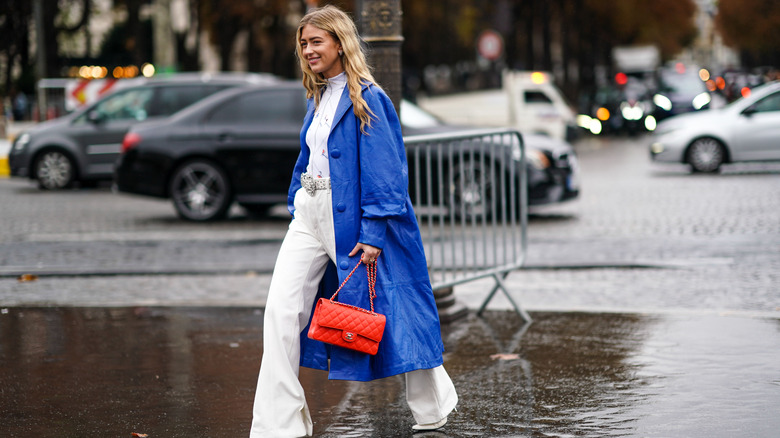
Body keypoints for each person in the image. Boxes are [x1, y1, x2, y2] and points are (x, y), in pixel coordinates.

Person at [249, 5, 458, 438]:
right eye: (303, 43)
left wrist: (374, 231)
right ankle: (279, 426)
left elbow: (388, 172)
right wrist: (296, 199)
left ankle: (434, 405)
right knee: (281, 312)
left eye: (315, 42)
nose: (307, 50)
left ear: (340, 43)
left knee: (397, 310)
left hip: (354, 223)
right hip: (311, 219)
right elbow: (310, 156)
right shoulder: (319, 94)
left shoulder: (369, 97)